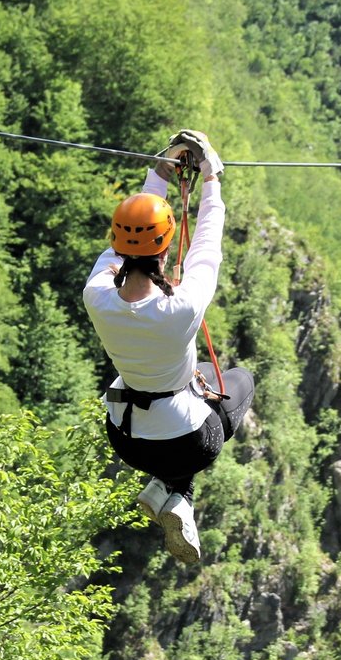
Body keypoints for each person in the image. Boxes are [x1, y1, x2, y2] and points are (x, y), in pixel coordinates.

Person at [83, 129, 255, 563]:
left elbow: (127, 241)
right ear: (162, 253)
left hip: (125, 437)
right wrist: (211, 177)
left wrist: (159, 172)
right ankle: (175, 493)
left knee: (194, 402)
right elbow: (207, 244)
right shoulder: (181, 308)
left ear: (120, 249)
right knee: (239, 381)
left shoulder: (97, 295)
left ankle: (173, 492)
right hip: (184, 441)